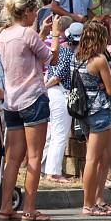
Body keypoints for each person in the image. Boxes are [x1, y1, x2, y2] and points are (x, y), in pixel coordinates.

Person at [0, 0, 61, 221]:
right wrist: (54, 35)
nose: (36, 15)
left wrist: (40, 33)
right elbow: (51, 59)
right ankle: (29, 208)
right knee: (34, 157)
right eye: (34, 11)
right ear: (26, 12)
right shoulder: (27, 34)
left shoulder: (5, 34)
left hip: (12, 100)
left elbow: (25, 53)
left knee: (13, 158)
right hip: (33, 98)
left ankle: (5, 207)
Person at [73, 21, 111, 216]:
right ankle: (88, 204)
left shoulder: (78, 57)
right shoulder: (99, 59)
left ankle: (97, 200)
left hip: (85, 110)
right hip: (99, 110)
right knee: (93, 159)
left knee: (105, 156)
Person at [41, 20, 78, 184]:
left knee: (52, 133)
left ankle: (45, 168)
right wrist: (43, 88)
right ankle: (53, 172)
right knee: (60, 134)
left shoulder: (60, 50)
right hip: (60, 94)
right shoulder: (68, 53)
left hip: (53, 93)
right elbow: (57, 76)